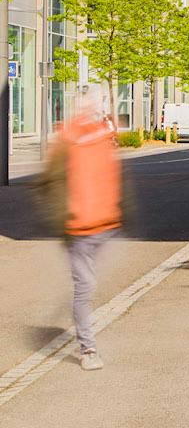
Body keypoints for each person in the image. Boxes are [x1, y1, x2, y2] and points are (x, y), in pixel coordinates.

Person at [38, 89, 122, 372]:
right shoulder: (68, 140)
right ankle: (88, 348)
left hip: (105, 224)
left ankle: (85, 336)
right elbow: (49, 184)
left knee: (88, 285)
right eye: (89, 103)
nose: (93, 108)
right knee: (85, 287)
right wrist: (65, 219)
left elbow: (112, 177)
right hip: (81, 227)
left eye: (96, 103)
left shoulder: (102, 137)